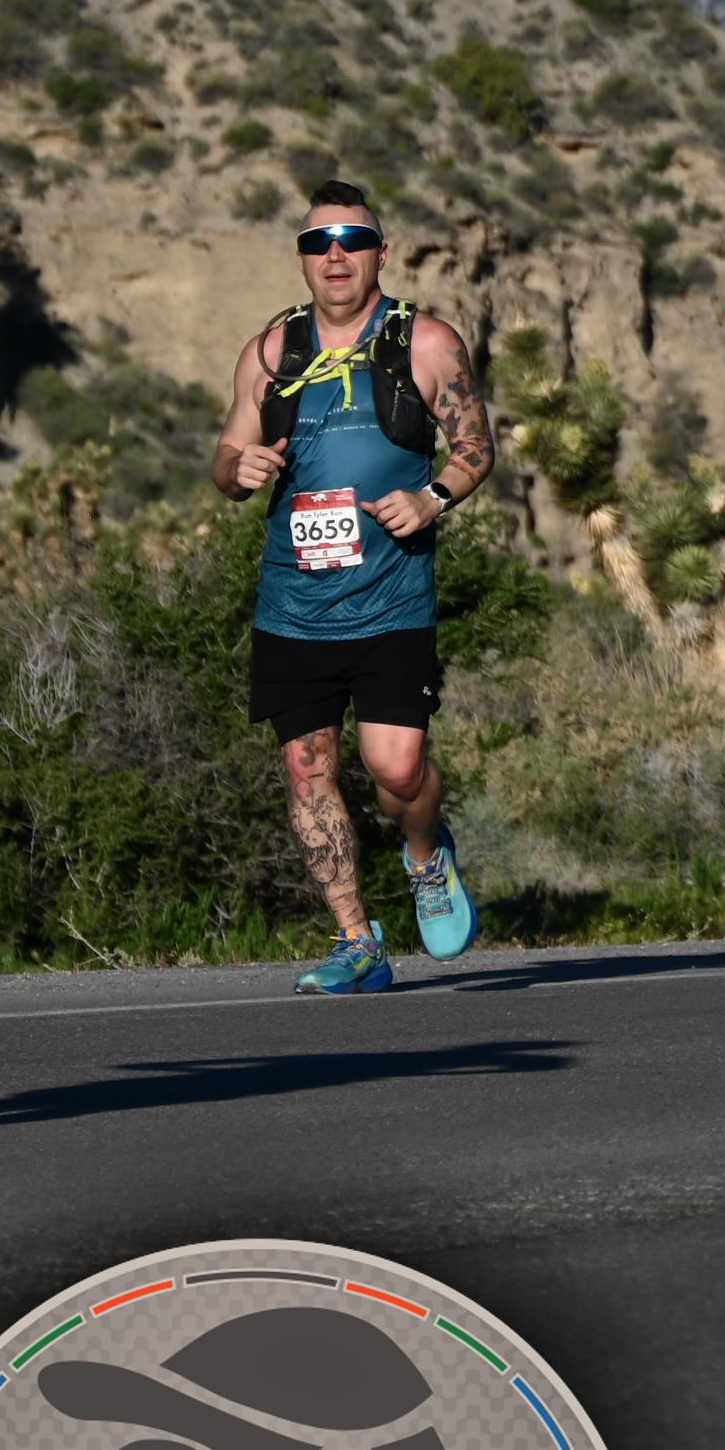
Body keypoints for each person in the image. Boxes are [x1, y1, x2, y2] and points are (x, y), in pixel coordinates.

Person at [211, 185, 497, 995]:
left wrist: (432, 498)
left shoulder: (426, 341)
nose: (334, 256)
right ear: (303, 258)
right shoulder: (271, 353)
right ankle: (356, 940)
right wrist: (239, 468)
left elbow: (475, 444)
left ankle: (425, 853)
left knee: (395, 768)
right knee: (307, 769)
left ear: (381, 252)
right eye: (318, 242)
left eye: (351, 239)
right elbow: (226, 459)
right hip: (294, 604)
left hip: (391, 597)